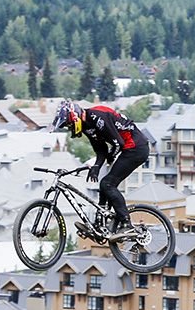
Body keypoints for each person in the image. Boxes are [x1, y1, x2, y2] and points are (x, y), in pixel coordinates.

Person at [52, 100, 150, 239]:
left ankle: (127, 225)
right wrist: (96, 167)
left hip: (136, 147)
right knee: (104, 185)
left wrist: (109, 158)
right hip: (127, 148)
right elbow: (101, 149)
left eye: (69, 125)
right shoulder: (86, 126)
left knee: (108, 184)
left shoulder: (98, 117)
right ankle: (100, 225)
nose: (69, 128)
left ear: (75, 117)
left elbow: (118, 143)